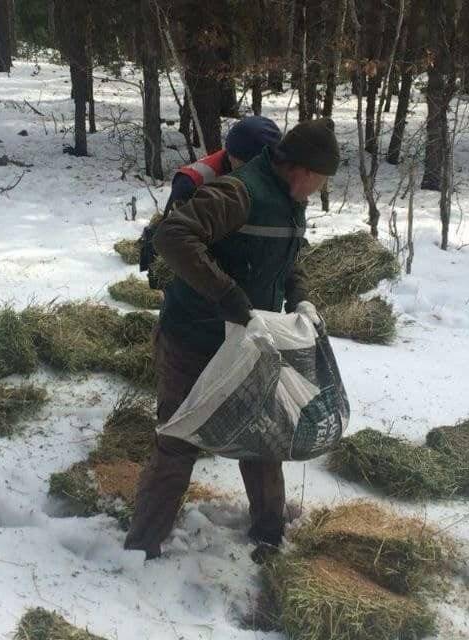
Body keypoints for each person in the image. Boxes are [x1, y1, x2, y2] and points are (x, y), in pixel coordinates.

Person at [124, 118, 340, 562]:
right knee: (178, 441)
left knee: (263, 435)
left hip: (248, 343)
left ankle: (268, 532)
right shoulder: (240, 192)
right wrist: (229, 298)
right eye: (320, 180)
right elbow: (173, 235)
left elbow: (284, 257)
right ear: (301, 169)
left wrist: (300, 299)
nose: (319, 190)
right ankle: (142, 547)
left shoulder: (286, 199)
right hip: (194, 337)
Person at [138, 116, 282, 285]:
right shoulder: (193, 182)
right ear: (232, 156)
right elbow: (183, 241)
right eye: (253, 166)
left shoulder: (273, 171)